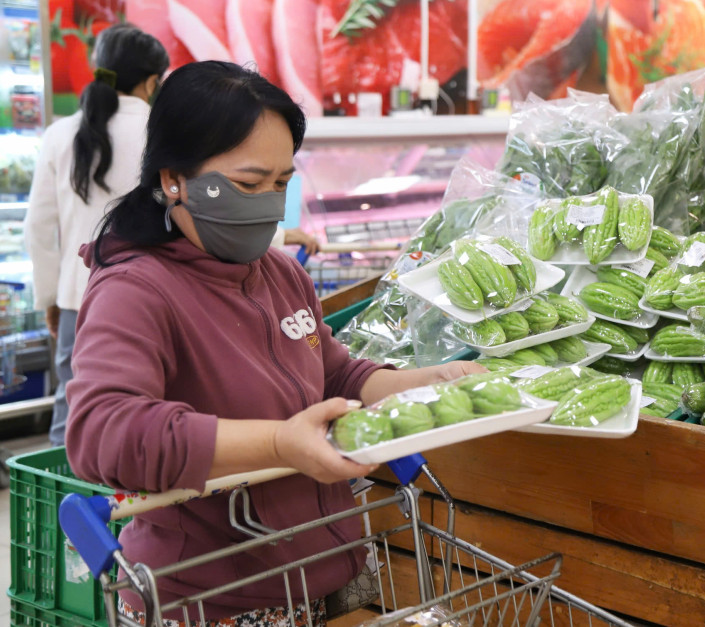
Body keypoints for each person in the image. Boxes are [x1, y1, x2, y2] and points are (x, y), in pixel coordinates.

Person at [64, 61, 484, 626]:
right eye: (247, 184)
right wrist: (280, 443)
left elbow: (335, 376)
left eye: (282, 183)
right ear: (173, 180)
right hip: (214, 600)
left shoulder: (281, 275)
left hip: (318, 575)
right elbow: (103, 432)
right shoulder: (135, 289)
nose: (268, 203)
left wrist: (421, 385)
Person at [24, 23, 169, 446]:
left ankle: (61, 504)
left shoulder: (59, 134)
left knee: (71, 412)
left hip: (77, 298)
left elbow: (38, 227)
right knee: (150, 411)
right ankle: (135, 510)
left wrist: (49, 297)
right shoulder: (161, 132)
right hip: (155, 296)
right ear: (150, 81)